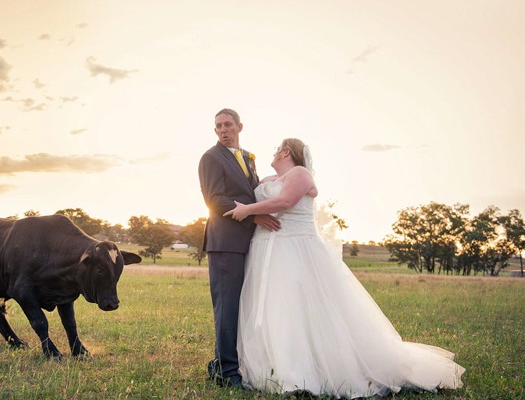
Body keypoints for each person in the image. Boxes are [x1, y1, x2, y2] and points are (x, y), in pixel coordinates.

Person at [224, 138, 466, 398]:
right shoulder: (265, 181)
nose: (273, 152)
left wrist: (248, 210)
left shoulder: (300, 173)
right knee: (274, 307)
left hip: (295, 249)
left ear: (285, 151)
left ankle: (300, 372)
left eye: (277, 148)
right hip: (264, 250)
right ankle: (271, 367)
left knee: (297, 306)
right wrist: (252, 212)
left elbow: (285, 202)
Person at [198, 108, 280, 387]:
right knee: (227, 307)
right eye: (219, 125)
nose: (223, 129)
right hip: (225, 243)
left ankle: (221, 362)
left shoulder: (247, 158)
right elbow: (214, 200)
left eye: (228, 124)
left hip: (248, 241)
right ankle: (227, 371)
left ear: (239, 127)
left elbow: (251, 191)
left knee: (242, 305)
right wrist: (254, 215)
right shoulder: (211, 158)